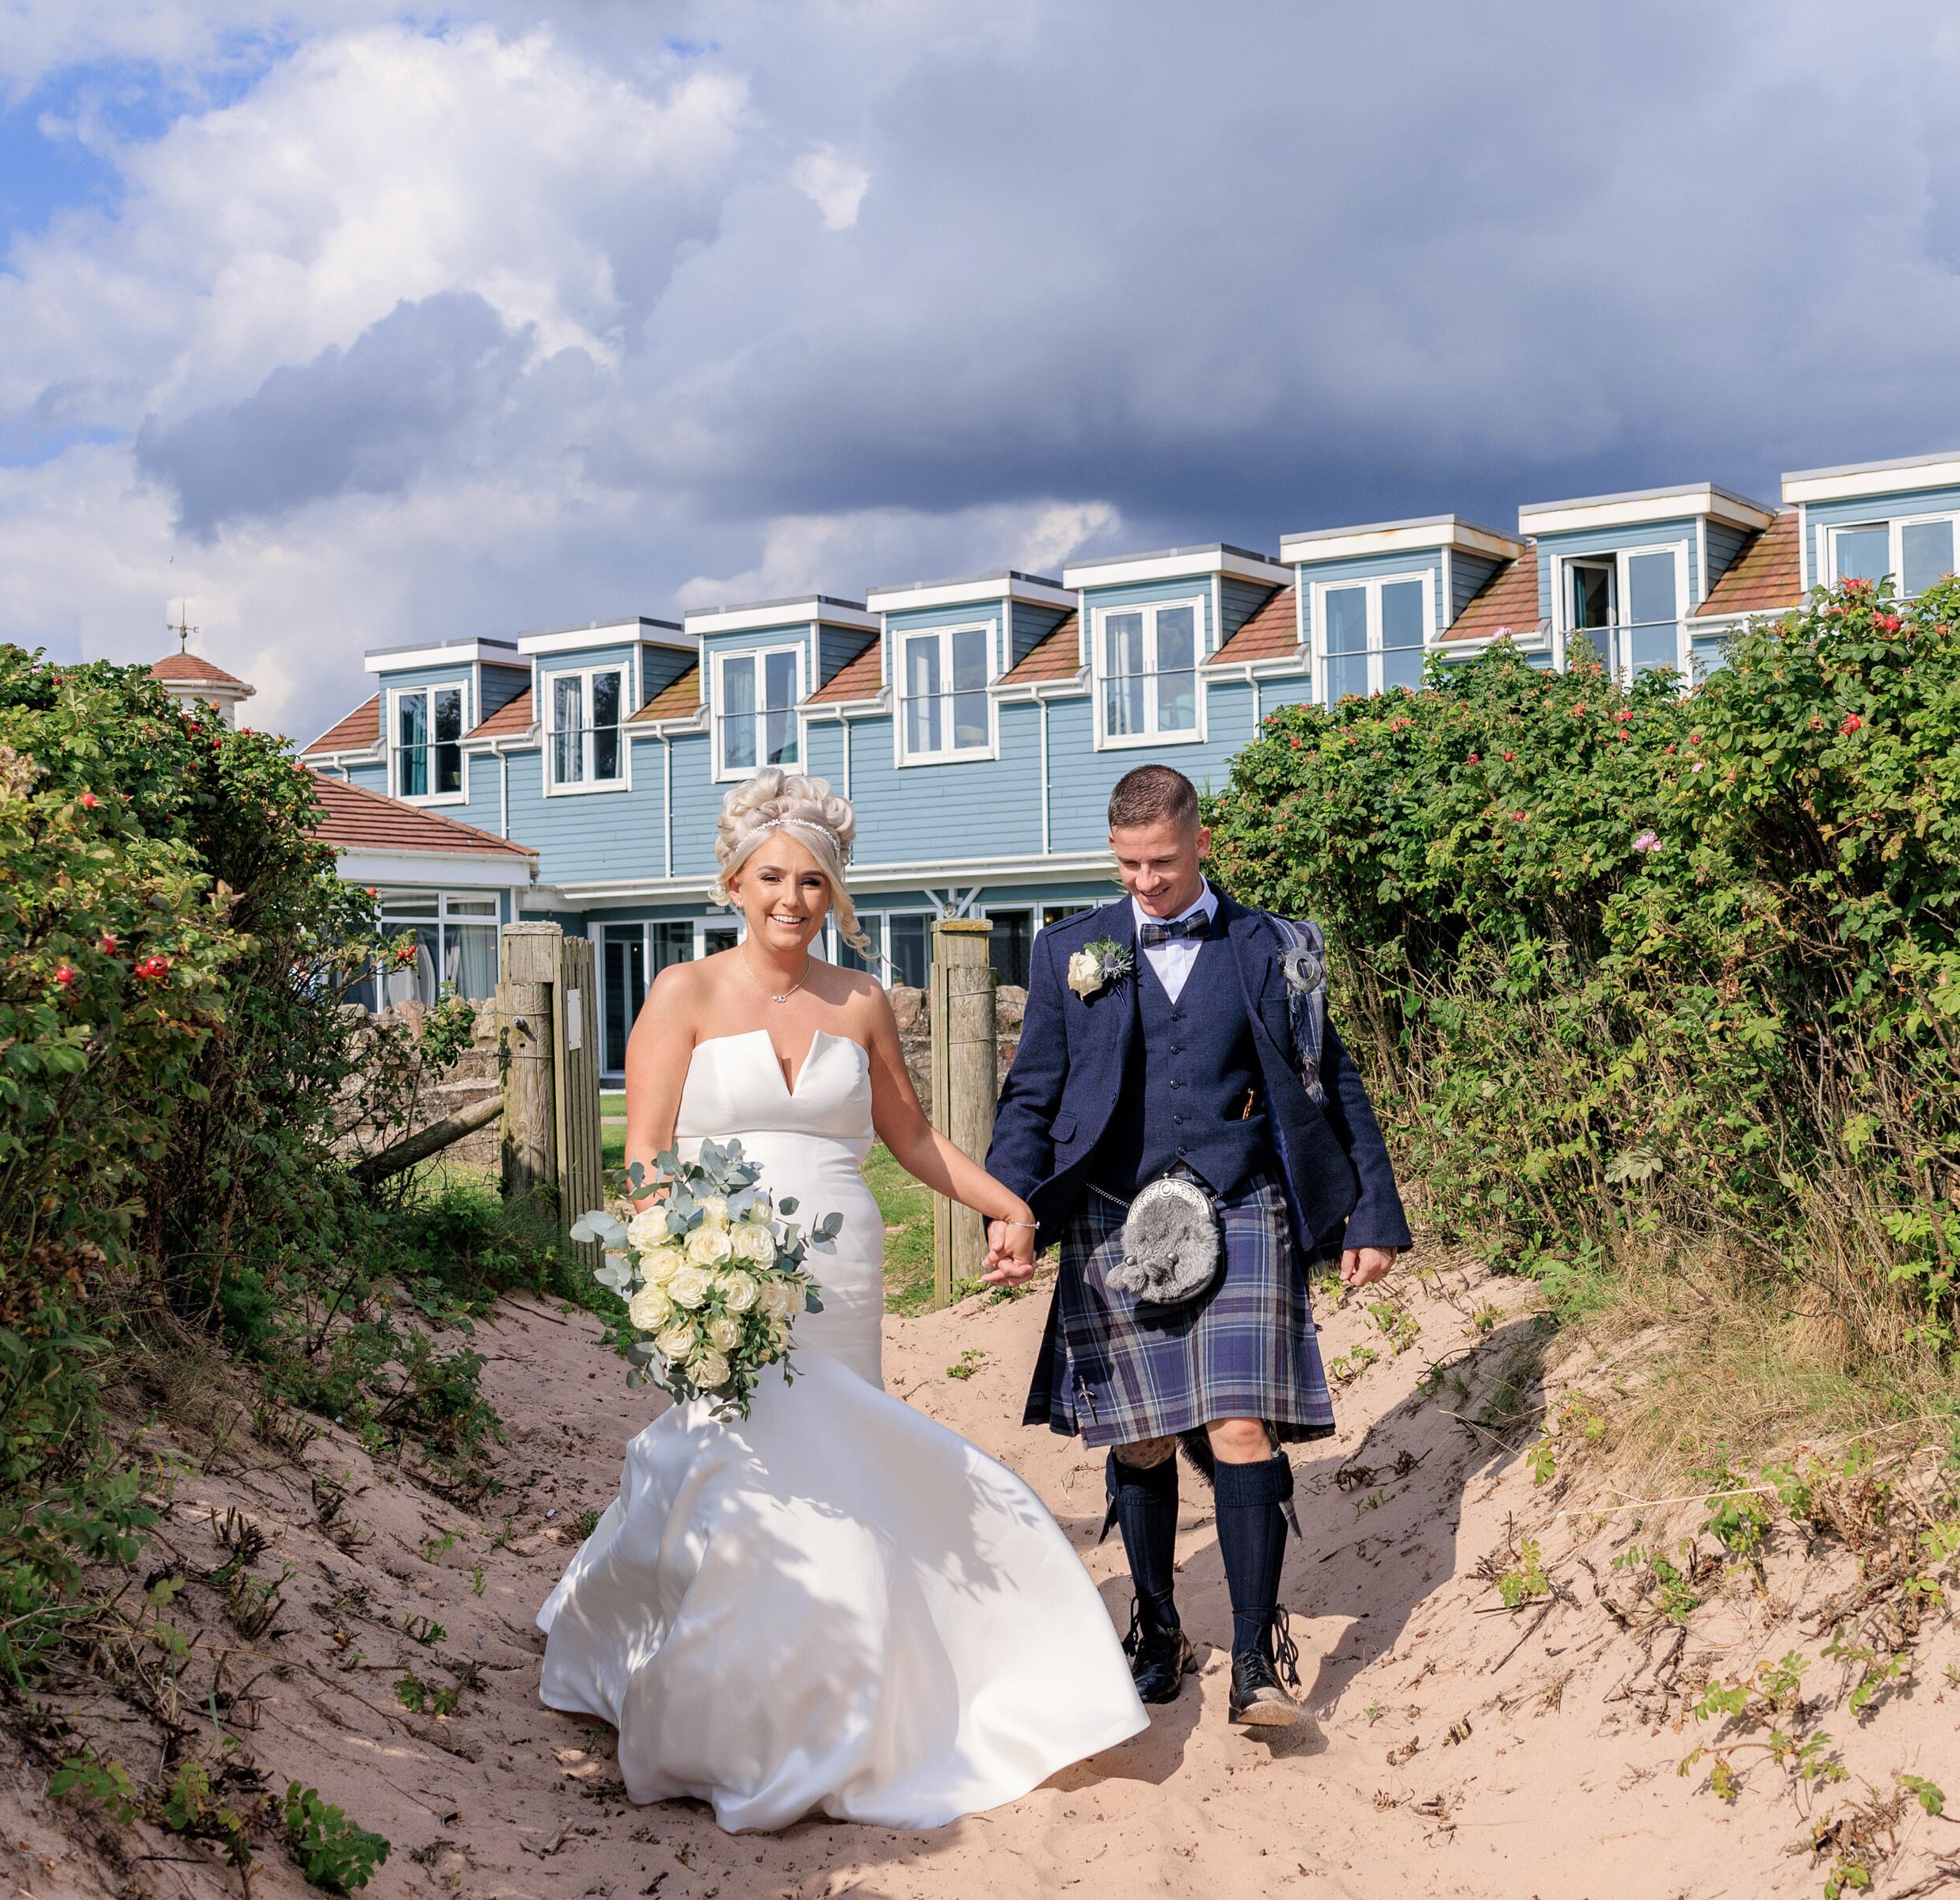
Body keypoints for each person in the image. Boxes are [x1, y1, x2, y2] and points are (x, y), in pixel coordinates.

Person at [535, 772, 1148, 1831]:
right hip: (719, 1268)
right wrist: (670, 1264)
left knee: (839, 1467)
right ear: (735, 882)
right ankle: (733, 1717)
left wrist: (1008, 1202)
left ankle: (853, 1704)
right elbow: (642, 1156)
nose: (793, 896)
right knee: (743, 1478)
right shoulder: (679, 992)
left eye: (813, 880)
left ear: (834, 892)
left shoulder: (860, 1001)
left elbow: (910, 1136)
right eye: (773, 876)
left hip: (839, 1268)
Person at [984, 763, 1410, 1730]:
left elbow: (1331, 1082)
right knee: (1137, 1437)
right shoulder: (1069, 952)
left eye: (1163, 863)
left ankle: (1258, 1657)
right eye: (1129, 865)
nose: (1146, 883)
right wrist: (1008, 1208)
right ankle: (1157, 1627)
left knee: (1240, 1428)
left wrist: (1372, 1215)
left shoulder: (1273, 946)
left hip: (1245, 1203)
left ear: (1201, 841)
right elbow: (1032, 1098)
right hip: (1107, 1208)